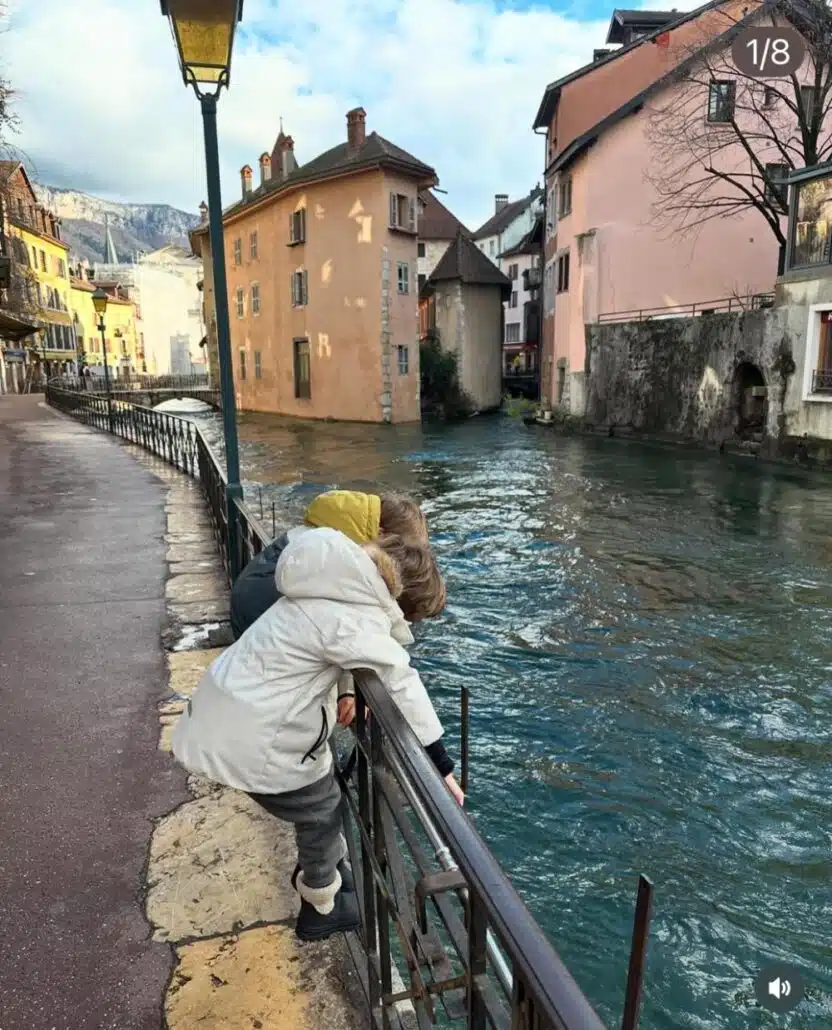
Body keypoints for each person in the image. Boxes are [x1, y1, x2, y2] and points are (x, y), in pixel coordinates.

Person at [172, 527, 463, 942]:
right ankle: (322, 902)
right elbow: (400, 683)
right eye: (407, 618)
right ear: (395, 601)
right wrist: (441, 766)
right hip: (250, 739)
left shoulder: (327, 583)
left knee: (324, 798)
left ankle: (329, 868)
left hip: (223, 707)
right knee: (323, 810)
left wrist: (347, 687)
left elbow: (330, 645)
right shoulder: (353, 618)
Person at [229, 490, 428, 640]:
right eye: (399, 551)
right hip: (260, 627)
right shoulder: (345, 557)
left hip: (248, 617)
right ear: (382, 534)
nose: (401, 559)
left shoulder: (326, 532)